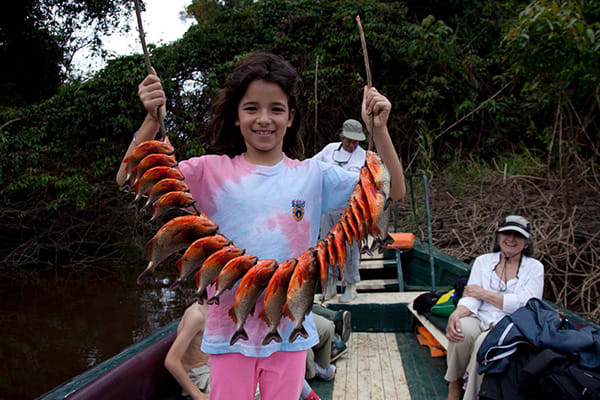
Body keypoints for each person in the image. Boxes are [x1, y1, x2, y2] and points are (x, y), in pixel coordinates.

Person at [117, 52, 405, 400]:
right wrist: (150, 121)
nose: (264, 119)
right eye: (251, 108)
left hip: (290, 332)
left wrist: (379, 130)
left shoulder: (313, 175)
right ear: (236, 117)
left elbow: (392, 189)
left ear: (290, 116)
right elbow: (128, 176)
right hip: (227, 335)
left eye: (276, 109)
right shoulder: (209, 172)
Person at [444, 215, 544, 400]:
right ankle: (454, 385)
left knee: (484, 342)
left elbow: (526, 305)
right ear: (499, 237)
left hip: (510, 326)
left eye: (518, 236)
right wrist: (457, 313)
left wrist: (485, 294)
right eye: (507, 233)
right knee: (461, 330)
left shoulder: (535, 268)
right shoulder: (483, 261)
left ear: (527, 243)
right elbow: (471, 298)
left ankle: (471, 396)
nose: (511, 239)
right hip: (481, 317)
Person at [313, 119, 367, 302]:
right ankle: (329, 284)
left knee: (350, 247)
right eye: (350, 140)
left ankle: (351, 285)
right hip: (328, 208)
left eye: (357, 141)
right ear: (342, 137)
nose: (353, 144)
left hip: (351, 209)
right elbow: (312, 165)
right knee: (327, 245)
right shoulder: (329, 150)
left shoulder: (365, 156)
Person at [164, 302, 210, 400]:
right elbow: (171, 360)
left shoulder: (220, 309)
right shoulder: (197, 315)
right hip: (198, 374)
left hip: (213, 366)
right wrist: (198, 395)